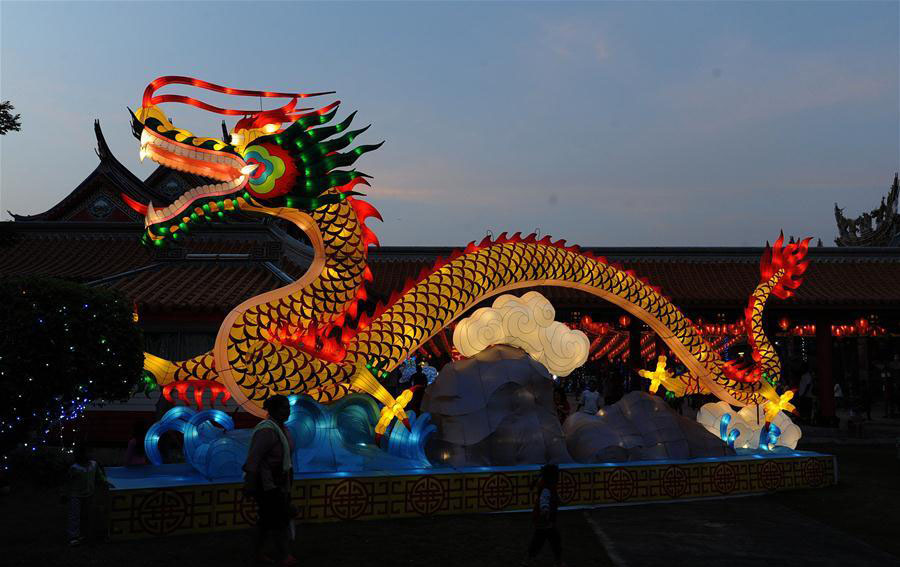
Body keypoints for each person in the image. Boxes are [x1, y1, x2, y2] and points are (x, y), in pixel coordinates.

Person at [244, 395, 296, 566]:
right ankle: (284, 555)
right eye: (283, 408)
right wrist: (250, 484)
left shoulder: (282, 429)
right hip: (267, 484)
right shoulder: (266, 430)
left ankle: (257, 553)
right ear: (272, 410)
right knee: (278, 519)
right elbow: (254, 459)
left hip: (279, 483)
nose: (287, 411)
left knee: (267, 521)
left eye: (288, 408)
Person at [61, 445, 111, 546]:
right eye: (87, 453)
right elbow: (68, 481)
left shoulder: (94, 465)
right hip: (76, 495)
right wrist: (64, 493)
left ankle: (83, 534)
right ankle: (73, 536)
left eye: (90, 452)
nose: (90, 455)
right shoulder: (75, 468)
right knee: (74, 515)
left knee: (86, 514)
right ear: (80, 455)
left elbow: (99, 475)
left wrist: (106, 482)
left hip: (89, 495)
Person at [522, 464, 565, 567]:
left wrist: (558, 500)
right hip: (545, 520)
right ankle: (557, 561)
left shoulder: (547, 485)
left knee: (539, 540)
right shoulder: (547, 487)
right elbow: (544, 500)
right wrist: (545, 510)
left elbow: (548, 497)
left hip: (544, 520)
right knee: (553, 540)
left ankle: (529, 560)